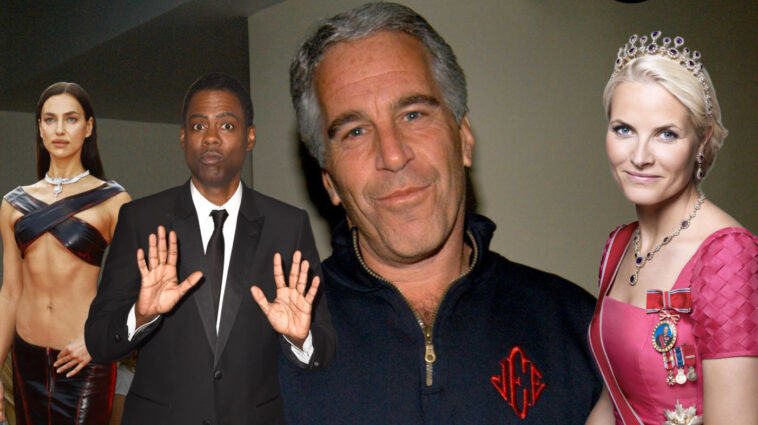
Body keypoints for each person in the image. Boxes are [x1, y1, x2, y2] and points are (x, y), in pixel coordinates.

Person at [278, 3, 602, 424]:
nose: (393, 155)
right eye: (355, 131)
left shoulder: (582, 330)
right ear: (330, 183)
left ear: (464, 139)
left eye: (413, 114)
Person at [84, 72, 336, 425]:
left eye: (227, 126)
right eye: (199, 126)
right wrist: (140, 316)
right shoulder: (141, 220)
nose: (211, 138)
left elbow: (323, 348)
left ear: (250, 137)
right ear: (183, 138)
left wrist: (301, 337)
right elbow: (98, 341)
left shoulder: (287, 226)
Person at [585, 32, 758, 425]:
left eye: (666, 134)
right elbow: (613, 402)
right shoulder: (619, 245)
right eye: (624, 129)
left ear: (702, 141)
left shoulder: (728, 255)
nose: (639, 156)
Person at [0, 82, 131, 424]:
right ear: (40, 128)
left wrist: (99, 340)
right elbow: (10, 292)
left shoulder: (113, 200)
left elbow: (136, 288)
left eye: (71, 119)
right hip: (26, 359)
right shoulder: (13, 203)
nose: (59, 129)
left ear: (88, 127)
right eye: (50, 119)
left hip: (84, 360)